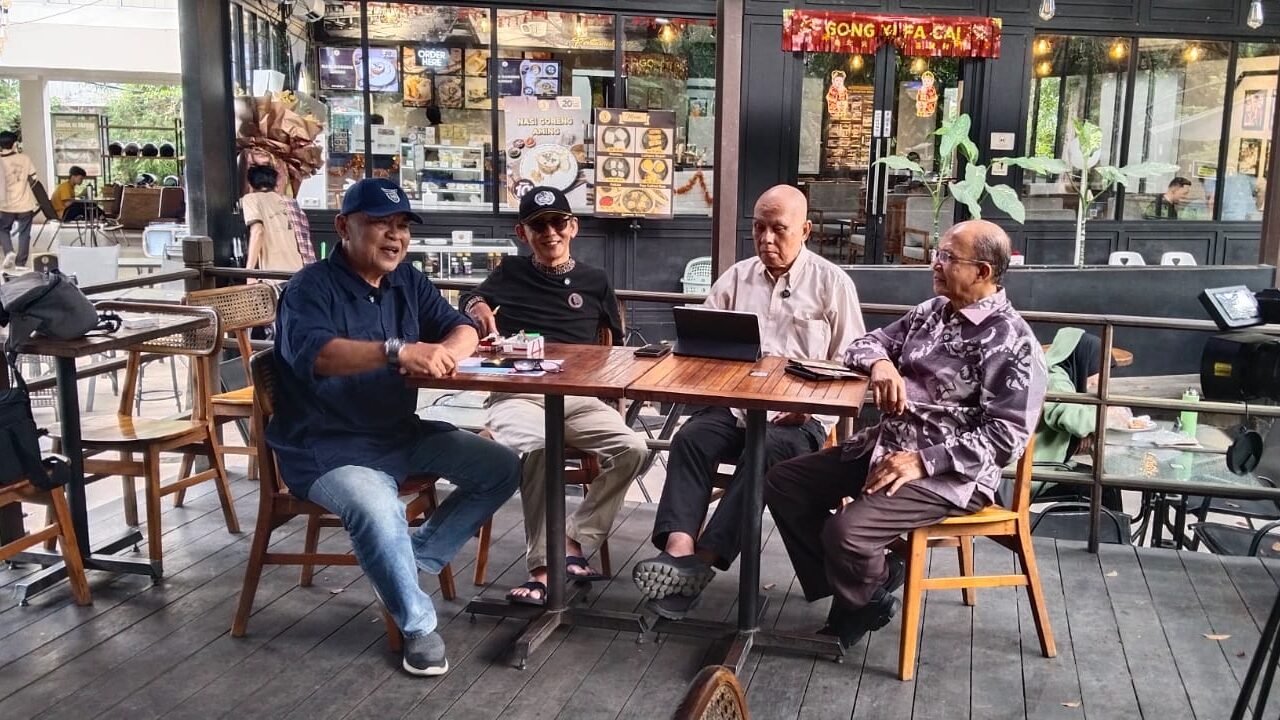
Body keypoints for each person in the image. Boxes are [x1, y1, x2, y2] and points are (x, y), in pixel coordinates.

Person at [267, 177, 521, 677]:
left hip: (397, 433)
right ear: (343, 227)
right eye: (379, 223)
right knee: (378, 508)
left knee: (503, 466)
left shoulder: (408, 280)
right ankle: (418, 626)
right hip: (326, 446)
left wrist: (448, 353)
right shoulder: (309, 288)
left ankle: (410, 559)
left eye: (402, 225)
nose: (394, 236)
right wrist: (397, 350)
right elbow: (316, 354)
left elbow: (462, 324)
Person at [763, 220, 1047, 651]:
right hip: (884, 445)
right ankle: (868, 587)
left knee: (846, 533)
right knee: (784, 482)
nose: (935, 262)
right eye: (939, 252)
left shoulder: (1012, 342)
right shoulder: (931, 312)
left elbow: (1006, 438)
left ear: (983, 272)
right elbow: (861, 344)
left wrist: (922, 461)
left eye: (949, 257)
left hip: (949, 474)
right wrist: (882, 365)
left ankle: (857, 591)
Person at [632, 184, 866, 619]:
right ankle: (679, 550)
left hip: (797, 421)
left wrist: (810, 410)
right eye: (759, 228)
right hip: (733, 410)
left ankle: (702, 562)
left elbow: (853, 368)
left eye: (779, 230)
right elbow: (698, 347)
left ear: (806, 230)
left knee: (766, 454)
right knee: (691, 439)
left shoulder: (832, 284)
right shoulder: (736, 279)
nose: (766, 240)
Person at [459, 186, 647, 606]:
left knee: (635, 448)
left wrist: (610, 391)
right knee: (540, 447)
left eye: (558, 222)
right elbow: (470, 298)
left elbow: (615, 346)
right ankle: (544, 568)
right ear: (522, 232)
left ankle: (575, 541)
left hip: (577, 398)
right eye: (538, 225)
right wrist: (478, 308)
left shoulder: (595, 281)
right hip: (517, 396)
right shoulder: (509, 272)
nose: (550, 232)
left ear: (573, 227)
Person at [241, 164, 313, 281]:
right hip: (300, 273)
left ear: (251, 183)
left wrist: (249, 272)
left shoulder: (251, 199)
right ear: (275, 182)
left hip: (274, 275)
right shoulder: (290, 203)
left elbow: (258, 232)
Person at [0, 130, 39, 270]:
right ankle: (20, 263)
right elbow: (34, 179)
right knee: (24, 233)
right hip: (25, 204)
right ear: (14, 143)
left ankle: (9, 251)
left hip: (6, 206)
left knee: (3, 229)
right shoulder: (25, 158)